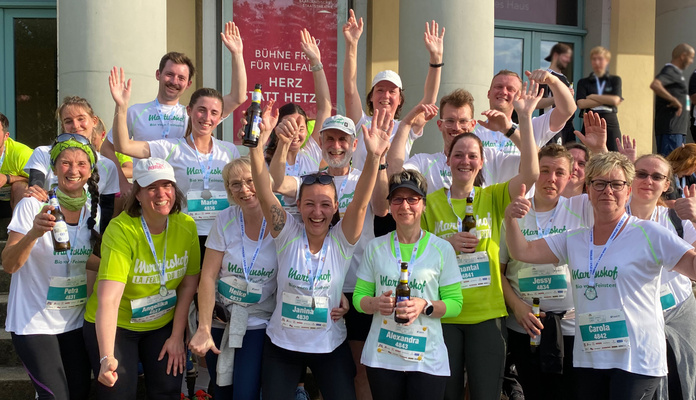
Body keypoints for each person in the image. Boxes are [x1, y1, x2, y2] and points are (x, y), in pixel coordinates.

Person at [504, 151, 696, 399]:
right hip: (591, 359)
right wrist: (511, 219)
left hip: (636, 361)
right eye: (600, 183)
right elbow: (523, 251)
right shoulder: (574, 239)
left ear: (628, 191)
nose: (608, 191)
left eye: (616, 184)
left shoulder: (649, 233)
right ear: (589, 189)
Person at [249, 97, 389, 399]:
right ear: (298, 204)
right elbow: (264, 191)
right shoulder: (286, 232)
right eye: (310, 204)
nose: (317, 212)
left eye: (325, 205)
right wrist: (257, 145)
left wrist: (375, 156)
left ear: (336, 207)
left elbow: (361, 203)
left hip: (329, 346)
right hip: (283, 346)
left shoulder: (341, 240)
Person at [421, 78, 542, 400]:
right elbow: (415, 252)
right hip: (444, 313)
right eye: (458, 155)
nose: (465, 161)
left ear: (482, 161)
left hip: (488, 314)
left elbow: (532, 172)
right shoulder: (430, 203)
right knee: (446, 395)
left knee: (486, 394)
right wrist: (445, 245)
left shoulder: (493, 196)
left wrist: (521, 120)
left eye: (472, 155)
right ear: (448, 159)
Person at [82, 158, 200, 399]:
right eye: (151, 187)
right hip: (117, 325)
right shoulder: (121, 229)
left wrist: (177, 336)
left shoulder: (187, 225)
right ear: (137, 194)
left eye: (167, 185)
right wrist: (107, 357)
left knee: (168, 389)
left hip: (161, 323)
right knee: (118, 394)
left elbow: (188, 285)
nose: (161, 194)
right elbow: (109, 299)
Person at [2, 136, 101, 400]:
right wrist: (34, 233)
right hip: (34, 324)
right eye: (65, 163)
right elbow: (9, 264)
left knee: (78, 394)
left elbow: (78, 256)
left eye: (81, 163)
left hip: (74, 321)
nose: (73, 170)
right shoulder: (32, 205)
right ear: (54, 168)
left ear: (90, 169)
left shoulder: (92, 208)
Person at [352, 169, 463, 400]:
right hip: (383, 356)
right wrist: (375, 303)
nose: (405, 206)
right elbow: (359, 297)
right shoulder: (375, 247)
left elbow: (455, 304)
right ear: (390, 205)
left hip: (426, 358)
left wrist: (425, 305)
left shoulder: (442, 249)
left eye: (412, 199)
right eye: (398, 199)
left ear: (423, 204)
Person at [102, 22, 247, 194]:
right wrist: (122, 183)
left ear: (188, 84)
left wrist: (237, 54)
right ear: (158, 74)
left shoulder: (196, 114)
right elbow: (110, 147)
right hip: (146, 193)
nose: (174, 81)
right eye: (169, 74)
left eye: (181, 78)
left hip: (180, 194)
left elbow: (237, 97)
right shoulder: (136, 112)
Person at [110, 68, 240, 256]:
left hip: (223, 235)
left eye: (214, 113)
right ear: (189, 111)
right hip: (184, 232)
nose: (207, 118)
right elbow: (123, 145)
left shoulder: (229, 150)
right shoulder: (170, 147)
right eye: (201, 110)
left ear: (220, 118)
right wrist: (121, 107)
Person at [499, 144, 592, 400]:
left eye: (559, 172)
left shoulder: (581, 210)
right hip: (524, 326)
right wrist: (517, 307)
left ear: (570, 175)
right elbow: (498, 270)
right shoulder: (514, 212)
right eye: (544, 170)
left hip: (569, 327)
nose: (551, 178)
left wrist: (599, 148)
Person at [187, 157, 278, 399]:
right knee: (221, 391)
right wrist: (204, 328)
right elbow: (208, 276)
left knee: (245, 392)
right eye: (235, 184)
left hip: (257, 319)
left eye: (250, 181)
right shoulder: (225, 218)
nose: (244, 190)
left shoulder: (280, 221)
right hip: (221, 316)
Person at [627, 154, 696, 400]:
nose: (648, 181)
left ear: (667, 184)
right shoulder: (613, 219)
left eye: (657, 176)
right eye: (641, 174)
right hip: (636, 315)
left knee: (684, 380)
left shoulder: (677, 219)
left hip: (680, 311)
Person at [343, 9, 444, 170]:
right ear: (371, 96)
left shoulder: (405, 126)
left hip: (395, 187)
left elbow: (429, 100)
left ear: (400, 100)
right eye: (380, 90)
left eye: (392, 91)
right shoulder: (361, 123)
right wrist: (352, 44)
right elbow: (350, 89)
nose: (386, 95)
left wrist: (436, 59)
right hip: (361, 187)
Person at [387, 89, 525, 192]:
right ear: (440, 125)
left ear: (473, 125)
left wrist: (508, 129)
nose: (456, 127)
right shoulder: (425, 162)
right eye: (450, 121)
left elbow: (532, 165)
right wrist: (405, 125)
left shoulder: (491, 158)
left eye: (463, 121)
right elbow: (393, 178)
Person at [24, 96, 120, 232]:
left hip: (88, 235)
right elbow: (35, 191)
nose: (75, 125)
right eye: (68, 121)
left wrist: (100, 241)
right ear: (63, 126)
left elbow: (107, 210)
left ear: (94, 121)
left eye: (81, 119)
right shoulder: (43, 153)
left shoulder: (108, 165)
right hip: (48, 230)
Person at [474, 69, 576, 158]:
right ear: (489, 93)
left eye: (510, 89)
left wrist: (553, 81)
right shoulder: (472, 130)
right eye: (499, 87)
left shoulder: (531, 127)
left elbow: (567, 110)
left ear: (519, 96)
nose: (504, 92)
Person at [650, 43, 695, 156]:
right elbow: (655, 85)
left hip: (677, 130)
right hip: (671, 130)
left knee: (677, 162)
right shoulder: (670, 70)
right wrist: (674, 100)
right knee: (671, 162)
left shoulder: (676, 73)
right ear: (683, 56)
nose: (691, 61)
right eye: (691, 57)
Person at [576, 46, 623, 151]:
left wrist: (592, 97)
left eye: (600, 59)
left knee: (614, 153)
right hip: (590, 119)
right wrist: (607, 100)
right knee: (586, 153)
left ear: (607, 61)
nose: (597, 62)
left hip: (610, 120)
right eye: (594, 59)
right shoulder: (583, 82)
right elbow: (581, 104)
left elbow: (615, 100)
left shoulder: (615, 80)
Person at [538, 43, 576, 145]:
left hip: (568, 127)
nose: (568, 60)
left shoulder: (565, 78)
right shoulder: (546, 76)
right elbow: (537, 103)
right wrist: (560, 97)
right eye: (565, 57)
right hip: (552, 128)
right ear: (555, 55)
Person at [0, 112, 32, 213]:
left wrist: (8, 178)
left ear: (6, 136)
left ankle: (20, 223)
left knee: (19, 186)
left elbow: (40, 181)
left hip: (14, 199)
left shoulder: (21, 153)